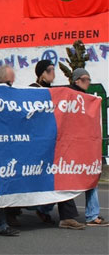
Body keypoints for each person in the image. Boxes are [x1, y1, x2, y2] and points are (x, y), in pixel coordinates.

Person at [69, 69, 106, 227]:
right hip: (72, 147)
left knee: (91, 177)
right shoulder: (70, 96)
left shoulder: (87, 99)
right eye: (85, 79)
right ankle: (43, 208)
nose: (88, 82)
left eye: (89, 79)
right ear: (77, 80)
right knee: (68, 181)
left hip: (83, 147)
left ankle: (92, 214)